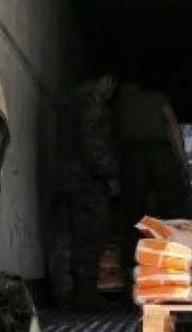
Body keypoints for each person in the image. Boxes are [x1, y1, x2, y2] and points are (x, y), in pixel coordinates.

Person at [55, 74, 120, 307]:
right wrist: (110, 174)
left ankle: (71, 292)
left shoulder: (71, 101)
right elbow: (92, 143)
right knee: (91, 236)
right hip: (87, 181)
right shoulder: (91, 103)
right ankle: (85, 293)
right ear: (106, 80)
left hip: (71, 178)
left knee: (72, 236)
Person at [114, 80, 190, 273]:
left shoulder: (119, 104)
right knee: (171, 208)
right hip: (159, 153)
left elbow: (112, 136)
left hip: (132, 156)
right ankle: (175, 256)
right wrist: (183, 160)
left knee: (133, 212)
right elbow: (172, 126)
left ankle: (133, 262)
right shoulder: (157, 99)